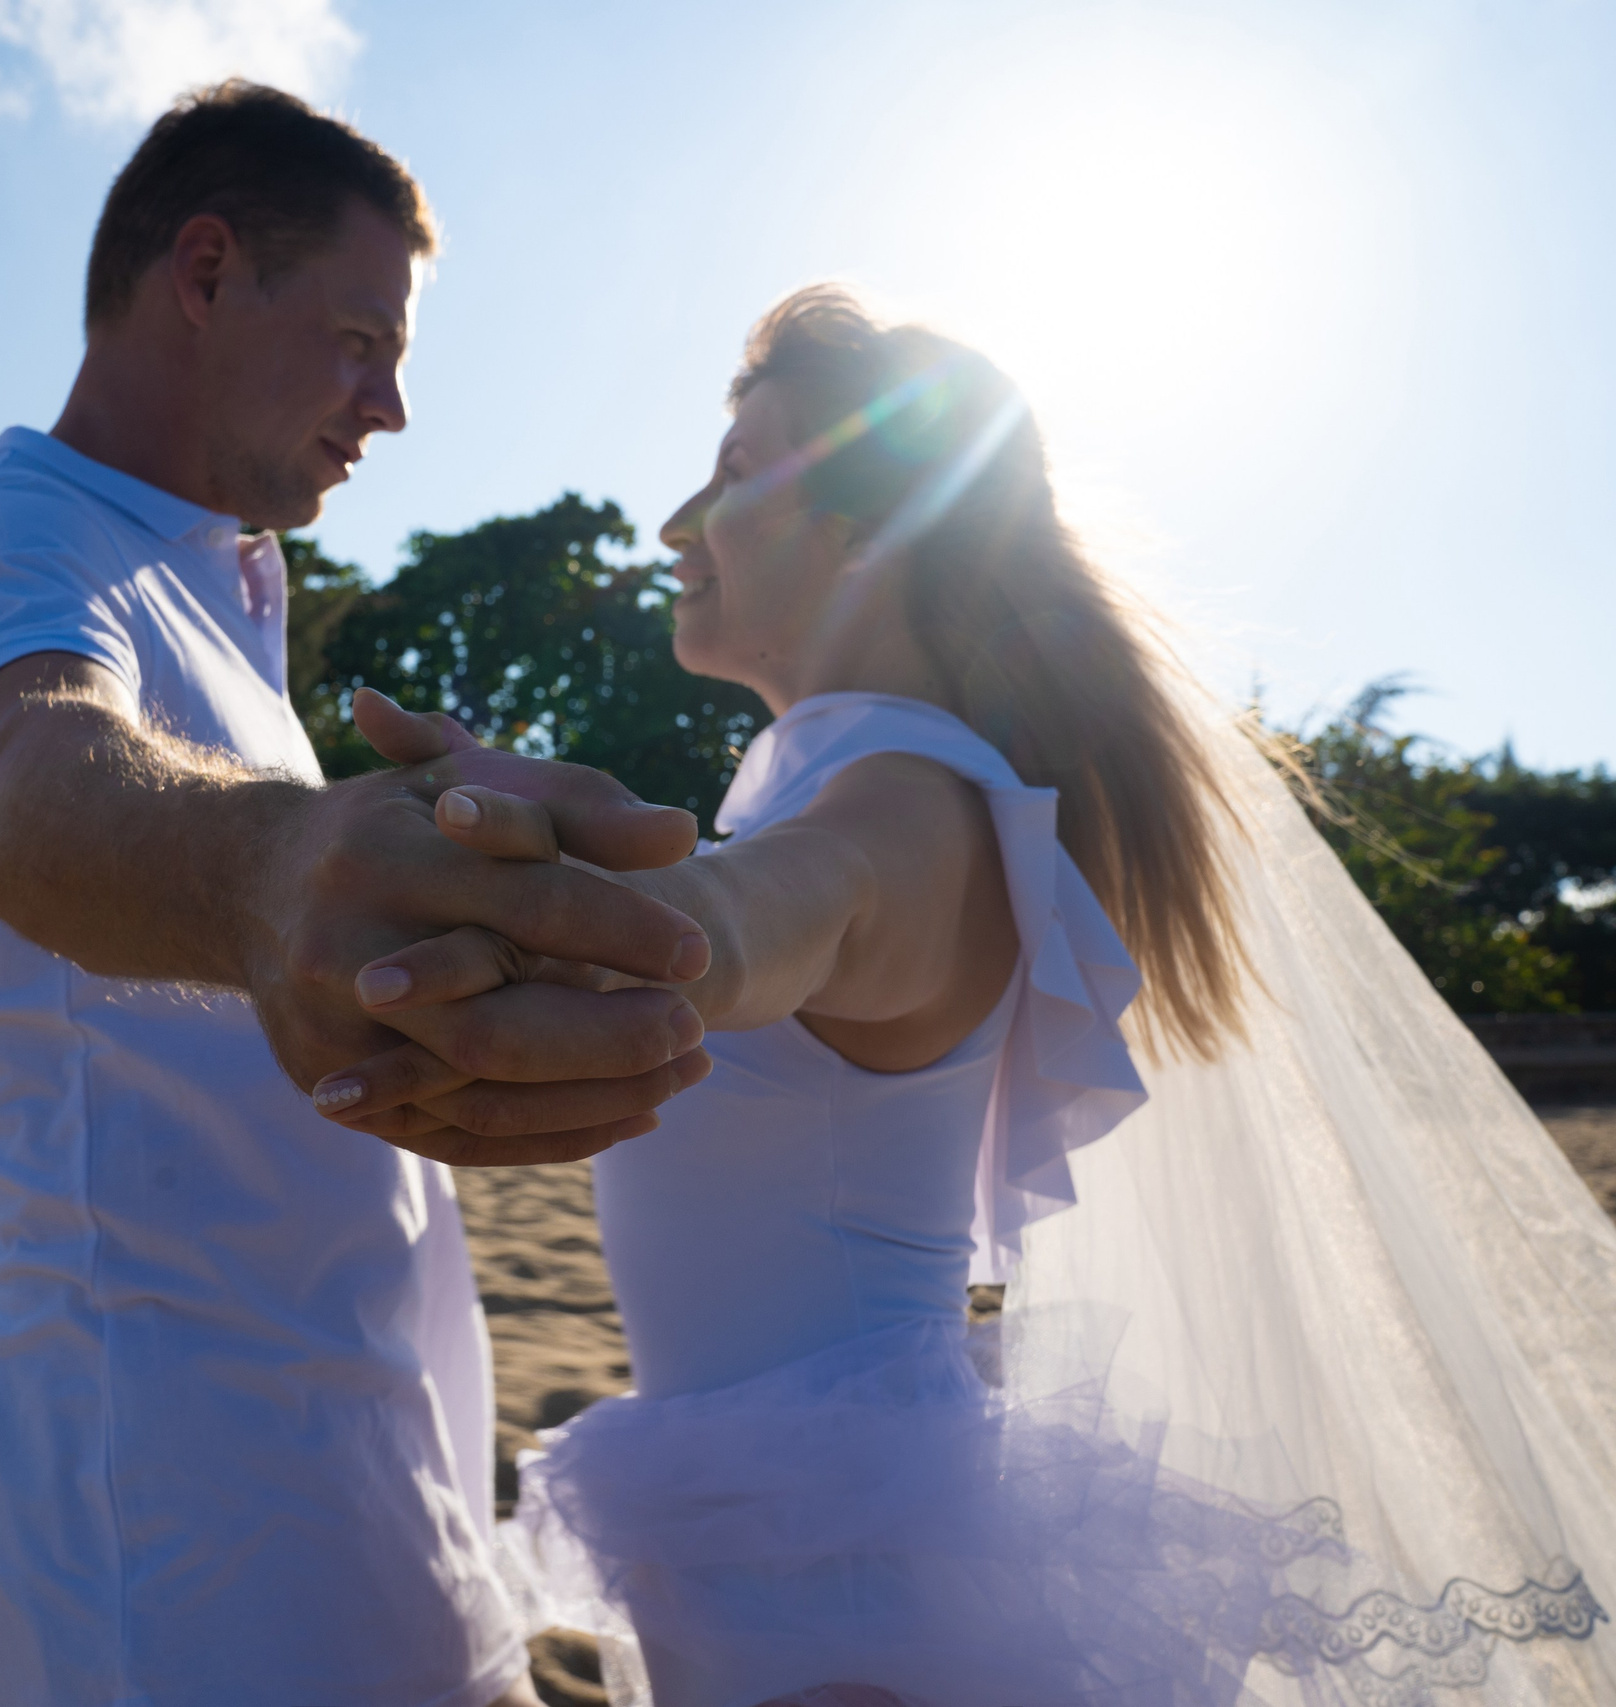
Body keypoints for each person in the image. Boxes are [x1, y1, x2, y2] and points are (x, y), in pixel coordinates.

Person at [318, 287, 1616, 1705]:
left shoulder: (908, 805)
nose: (678, 525)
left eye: (738, 475)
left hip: (854, 1607)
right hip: (825, 1546)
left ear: (872, 533)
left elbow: (735, 930)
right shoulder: (865, 784)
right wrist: (559, 830)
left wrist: (532, 858)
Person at [0, 82, 719, 1707]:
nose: (389, 406)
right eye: (357, 339)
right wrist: (267, 869)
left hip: (365, 1456)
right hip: (169, 1518)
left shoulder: (219, 582)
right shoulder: (18, 534)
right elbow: (38, 797)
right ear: (202, 271)